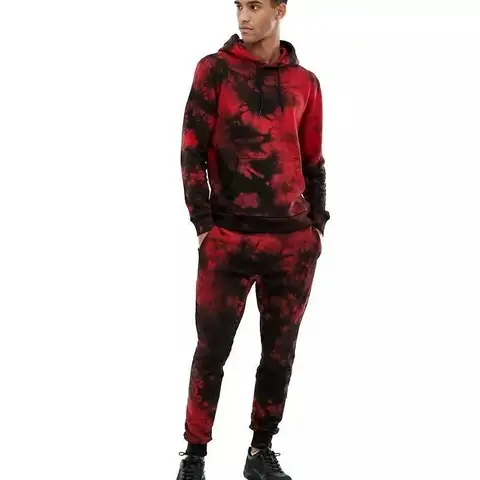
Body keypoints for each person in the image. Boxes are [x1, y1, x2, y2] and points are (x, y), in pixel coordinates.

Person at [177, 0, 330, 478]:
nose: (244, 16)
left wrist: (317, 226)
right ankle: (194, 456)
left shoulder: (305, 83)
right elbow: (191, 151)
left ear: (280, 10)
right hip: (228, 241)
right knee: (211, 351)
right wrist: (203, 225)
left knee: (279, 353)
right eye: (239, 6)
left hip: (291, 245)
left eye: (256, 6)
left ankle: (260, 452)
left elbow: (313, 160)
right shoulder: (214, 71)